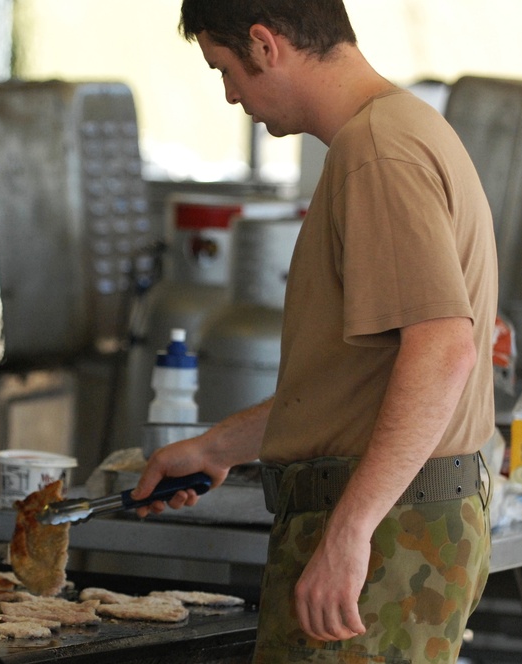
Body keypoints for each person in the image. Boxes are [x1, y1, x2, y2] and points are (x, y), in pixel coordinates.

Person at [131, 1, 498, 662]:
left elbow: (444, 350)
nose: (230, 95)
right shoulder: (399, 131)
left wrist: (349, 532)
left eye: (225, 69)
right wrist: (223, 445)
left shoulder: (378, 151)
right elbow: (363, 380)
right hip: (399, 523)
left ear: (265, 45)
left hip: (389, 534)